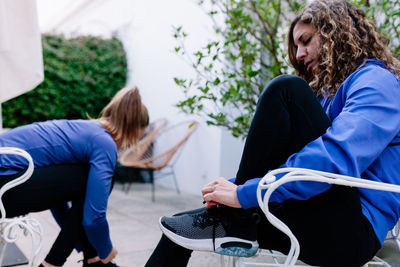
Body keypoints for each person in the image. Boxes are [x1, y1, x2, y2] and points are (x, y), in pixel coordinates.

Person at [145, 0, 400, 266]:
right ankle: (235, 221)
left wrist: (243, 195)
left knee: (287, 89)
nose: (299, 54)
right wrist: (236, 188)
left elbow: (336, 157)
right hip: (315, 211)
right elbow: (293, 160)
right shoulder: (327, 96)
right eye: (297, 46)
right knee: (182, 228)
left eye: (306, 40)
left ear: (335, 34)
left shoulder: (377, 82)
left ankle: (236, 220)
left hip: (351, 230)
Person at [0, 87, 149, 267]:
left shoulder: (82, 130)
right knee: (93, 180)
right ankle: (59, 263)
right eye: (133, 140)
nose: (127, 145)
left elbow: (57, 199)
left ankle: (92, 260)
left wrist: (80, 243)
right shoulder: (104, 142)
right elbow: (94, 217)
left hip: (8, 183)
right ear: (131, 130)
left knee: (85, 181)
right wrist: (106, 249)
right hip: (6, 185)